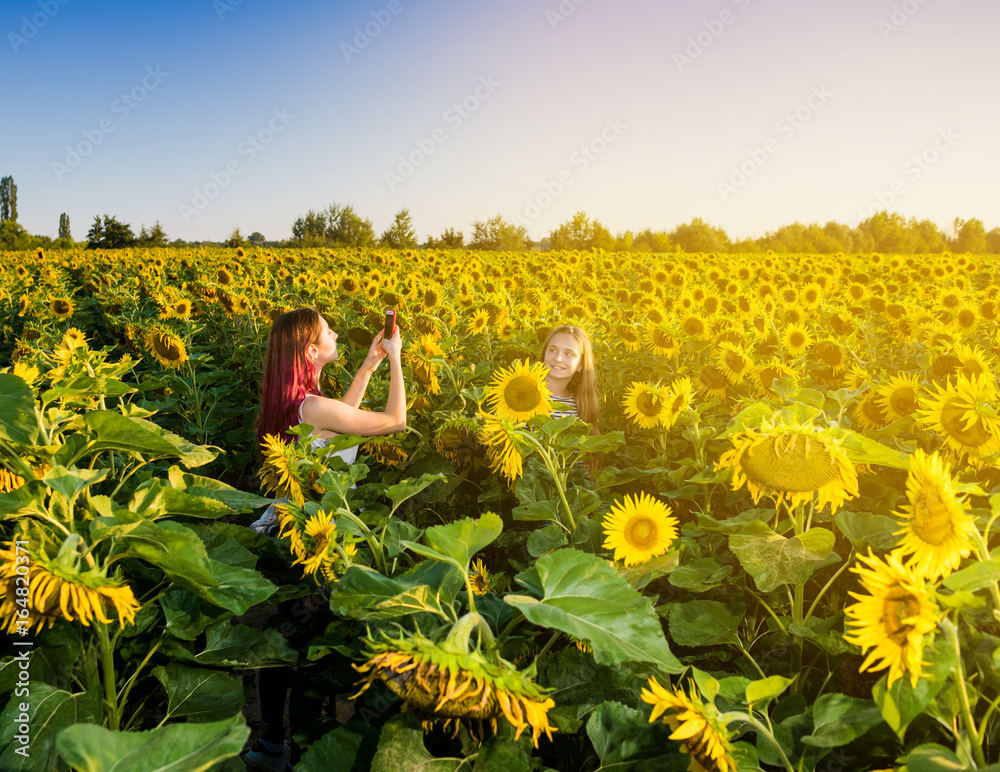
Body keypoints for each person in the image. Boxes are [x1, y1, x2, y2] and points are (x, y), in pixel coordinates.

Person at [242, 307, 405, 772]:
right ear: (311, 350)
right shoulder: (311, 406)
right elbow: (394, 420)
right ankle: (304, 748)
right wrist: (394, 359)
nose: (337, 332)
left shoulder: (297, 401)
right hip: (310, 539)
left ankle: (272, 744)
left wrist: (368, 365)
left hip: (283, 531)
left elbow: (340, 421)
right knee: (310, 647)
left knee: (282, 641)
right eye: (328, 331)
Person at [539, 324, 601, 432]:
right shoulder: (523, 395)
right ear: (544, 353)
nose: (558, 359)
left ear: (580, 365)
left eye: (568, 354)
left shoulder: (582, 407)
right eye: (553, 350)